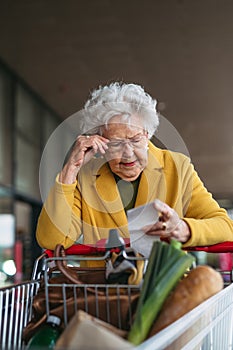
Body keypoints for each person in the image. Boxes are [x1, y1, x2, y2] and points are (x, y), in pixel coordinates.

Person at [36, 82, 233, 253]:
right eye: (115, 144)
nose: (128, 153)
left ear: (147, 134)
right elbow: (52, 241)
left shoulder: (177, 167)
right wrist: (70, 170)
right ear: (99, 142)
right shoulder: (85, 175)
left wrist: (183, 229)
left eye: (135, 140)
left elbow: (226, 227)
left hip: (163, 290)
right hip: (101, 293)